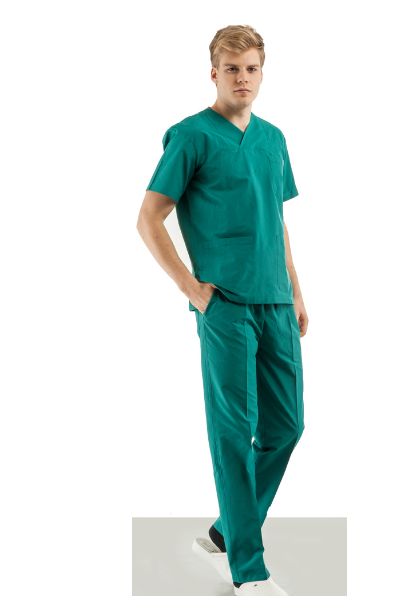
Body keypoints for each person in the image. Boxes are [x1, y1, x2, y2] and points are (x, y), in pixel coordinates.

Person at [136, 24, 308, 597]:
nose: (243, 78)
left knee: (286, 427)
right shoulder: (191, 137)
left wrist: (296, 290)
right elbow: (149, 218)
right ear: (214, 73)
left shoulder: (273, 139)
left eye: (252, 68)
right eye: (232, 69)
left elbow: (275, 221)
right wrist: (192, 289)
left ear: (262, 72)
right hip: (226, 305)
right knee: (234, 434)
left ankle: (224, 530)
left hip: (276, 301)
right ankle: (248, 569)